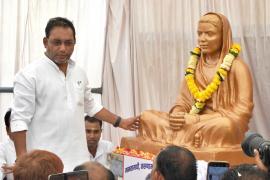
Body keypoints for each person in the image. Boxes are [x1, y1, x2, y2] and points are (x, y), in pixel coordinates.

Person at [10, 17, 140, 171]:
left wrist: (121, 122)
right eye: (57, 42)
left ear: (74, 43)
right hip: (44, 164)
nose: (63, 48)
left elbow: (90, 105)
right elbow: (19, 119)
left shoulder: (79, 72)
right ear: (45, 42)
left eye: (68, 43)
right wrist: (22, 161)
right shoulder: (29, 75)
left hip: (79, 163)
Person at [139, 12, 253, 149]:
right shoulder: (195, 65)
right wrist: (177, 114)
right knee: (146, 116)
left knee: (226, 127)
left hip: (215, 122)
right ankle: (186, 136)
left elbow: (243, 110)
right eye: (199, 34)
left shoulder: (237, 67)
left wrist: (198, 119)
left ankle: (182, 137)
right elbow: (183, 100)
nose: (202, 39)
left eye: (209, 34)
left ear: (223, 36)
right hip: (189, 120)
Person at [0, 109, 16, 180]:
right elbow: (1, 169)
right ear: (7, 130)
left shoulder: (35, 143)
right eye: (15, 126)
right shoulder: (2, 148)